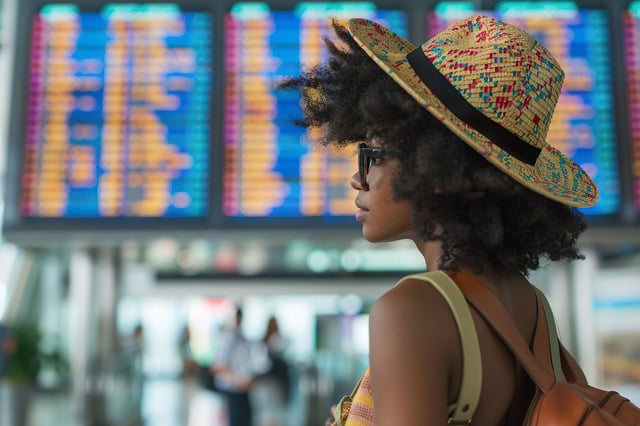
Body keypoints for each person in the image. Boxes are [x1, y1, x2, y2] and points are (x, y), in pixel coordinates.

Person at [280, 15, 599, 425]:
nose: (357, 177)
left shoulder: (412, 309)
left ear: (436, 170)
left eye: (372, 155)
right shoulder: (534, 309)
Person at [211, 307, 254, 426]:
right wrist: (239, 378)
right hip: (234, 389)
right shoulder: (229, 336)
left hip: (243, 390)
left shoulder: (241, 336)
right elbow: (218, 365)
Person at [251, 316, 290, 426]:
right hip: (273, 385)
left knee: (264, 415)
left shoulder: (262, 343)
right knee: (273, 416)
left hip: (260, 385)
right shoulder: (277, 340)